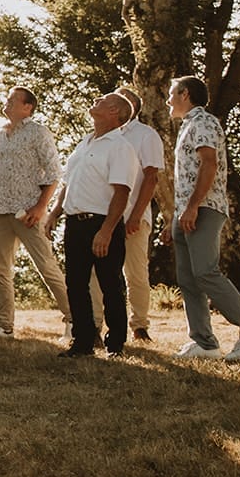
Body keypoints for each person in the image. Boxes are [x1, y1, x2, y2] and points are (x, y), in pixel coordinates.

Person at [165, 75, 240, 361]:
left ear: (185, 94)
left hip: (203, 208)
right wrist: (177, 215)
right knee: (188, 278)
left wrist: (192, 207)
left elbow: (209, 164)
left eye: (172, 93)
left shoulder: (203, 121)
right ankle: (204, 343)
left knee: (206, 273)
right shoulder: (189, 124)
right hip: (186, 210)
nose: (168, 99)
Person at [0, 86, 73, 341]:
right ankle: (4, 326)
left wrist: (40, 207)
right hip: (1, 210)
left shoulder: (38, 132)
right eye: (8, 99)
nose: (8, 102)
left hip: (28, 212)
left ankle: (73, 319)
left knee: (46, 267)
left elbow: (55, 172)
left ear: (28, 107)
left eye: (14, 100)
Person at [47, 93, 141, 358]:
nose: (95, 101)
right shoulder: (84, 143)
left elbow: (121, 192)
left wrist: (107, 230)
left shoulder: (120, 147)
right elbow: (68, 183)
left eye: (101, 100)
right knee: (75, 283)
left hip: (102, 222)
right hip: (74, 222)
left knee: (110, 283)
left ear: (114, 111)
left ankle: (116, 344)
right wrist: (55, 212)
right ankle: (83, 342)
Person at [89, 85, 165, 341]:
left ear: (129, 108)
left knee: (135, 273)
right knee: (96, 274)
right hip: (103, 214)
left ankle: (140, 325)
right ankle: (95, 325)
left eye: (123, 99)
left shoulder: (146, 136)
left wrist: (136, 215)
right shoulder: (100, 135)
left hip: (133, 215)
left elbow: (151, 176)